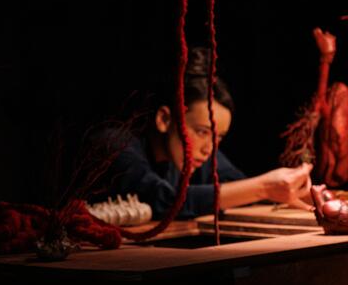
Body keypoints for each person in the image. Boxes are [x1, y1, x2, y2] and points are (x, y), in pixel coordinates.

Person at [102, 47, 313, 219]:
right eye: (202, 132)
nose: (209, 148)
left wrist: (298, 191)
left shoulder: (198, 152)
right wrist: (265, 187)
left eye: (219, 137)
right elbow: (161, 200)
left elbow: (235, 184)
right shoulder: (117, 146)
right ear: (164, 119)